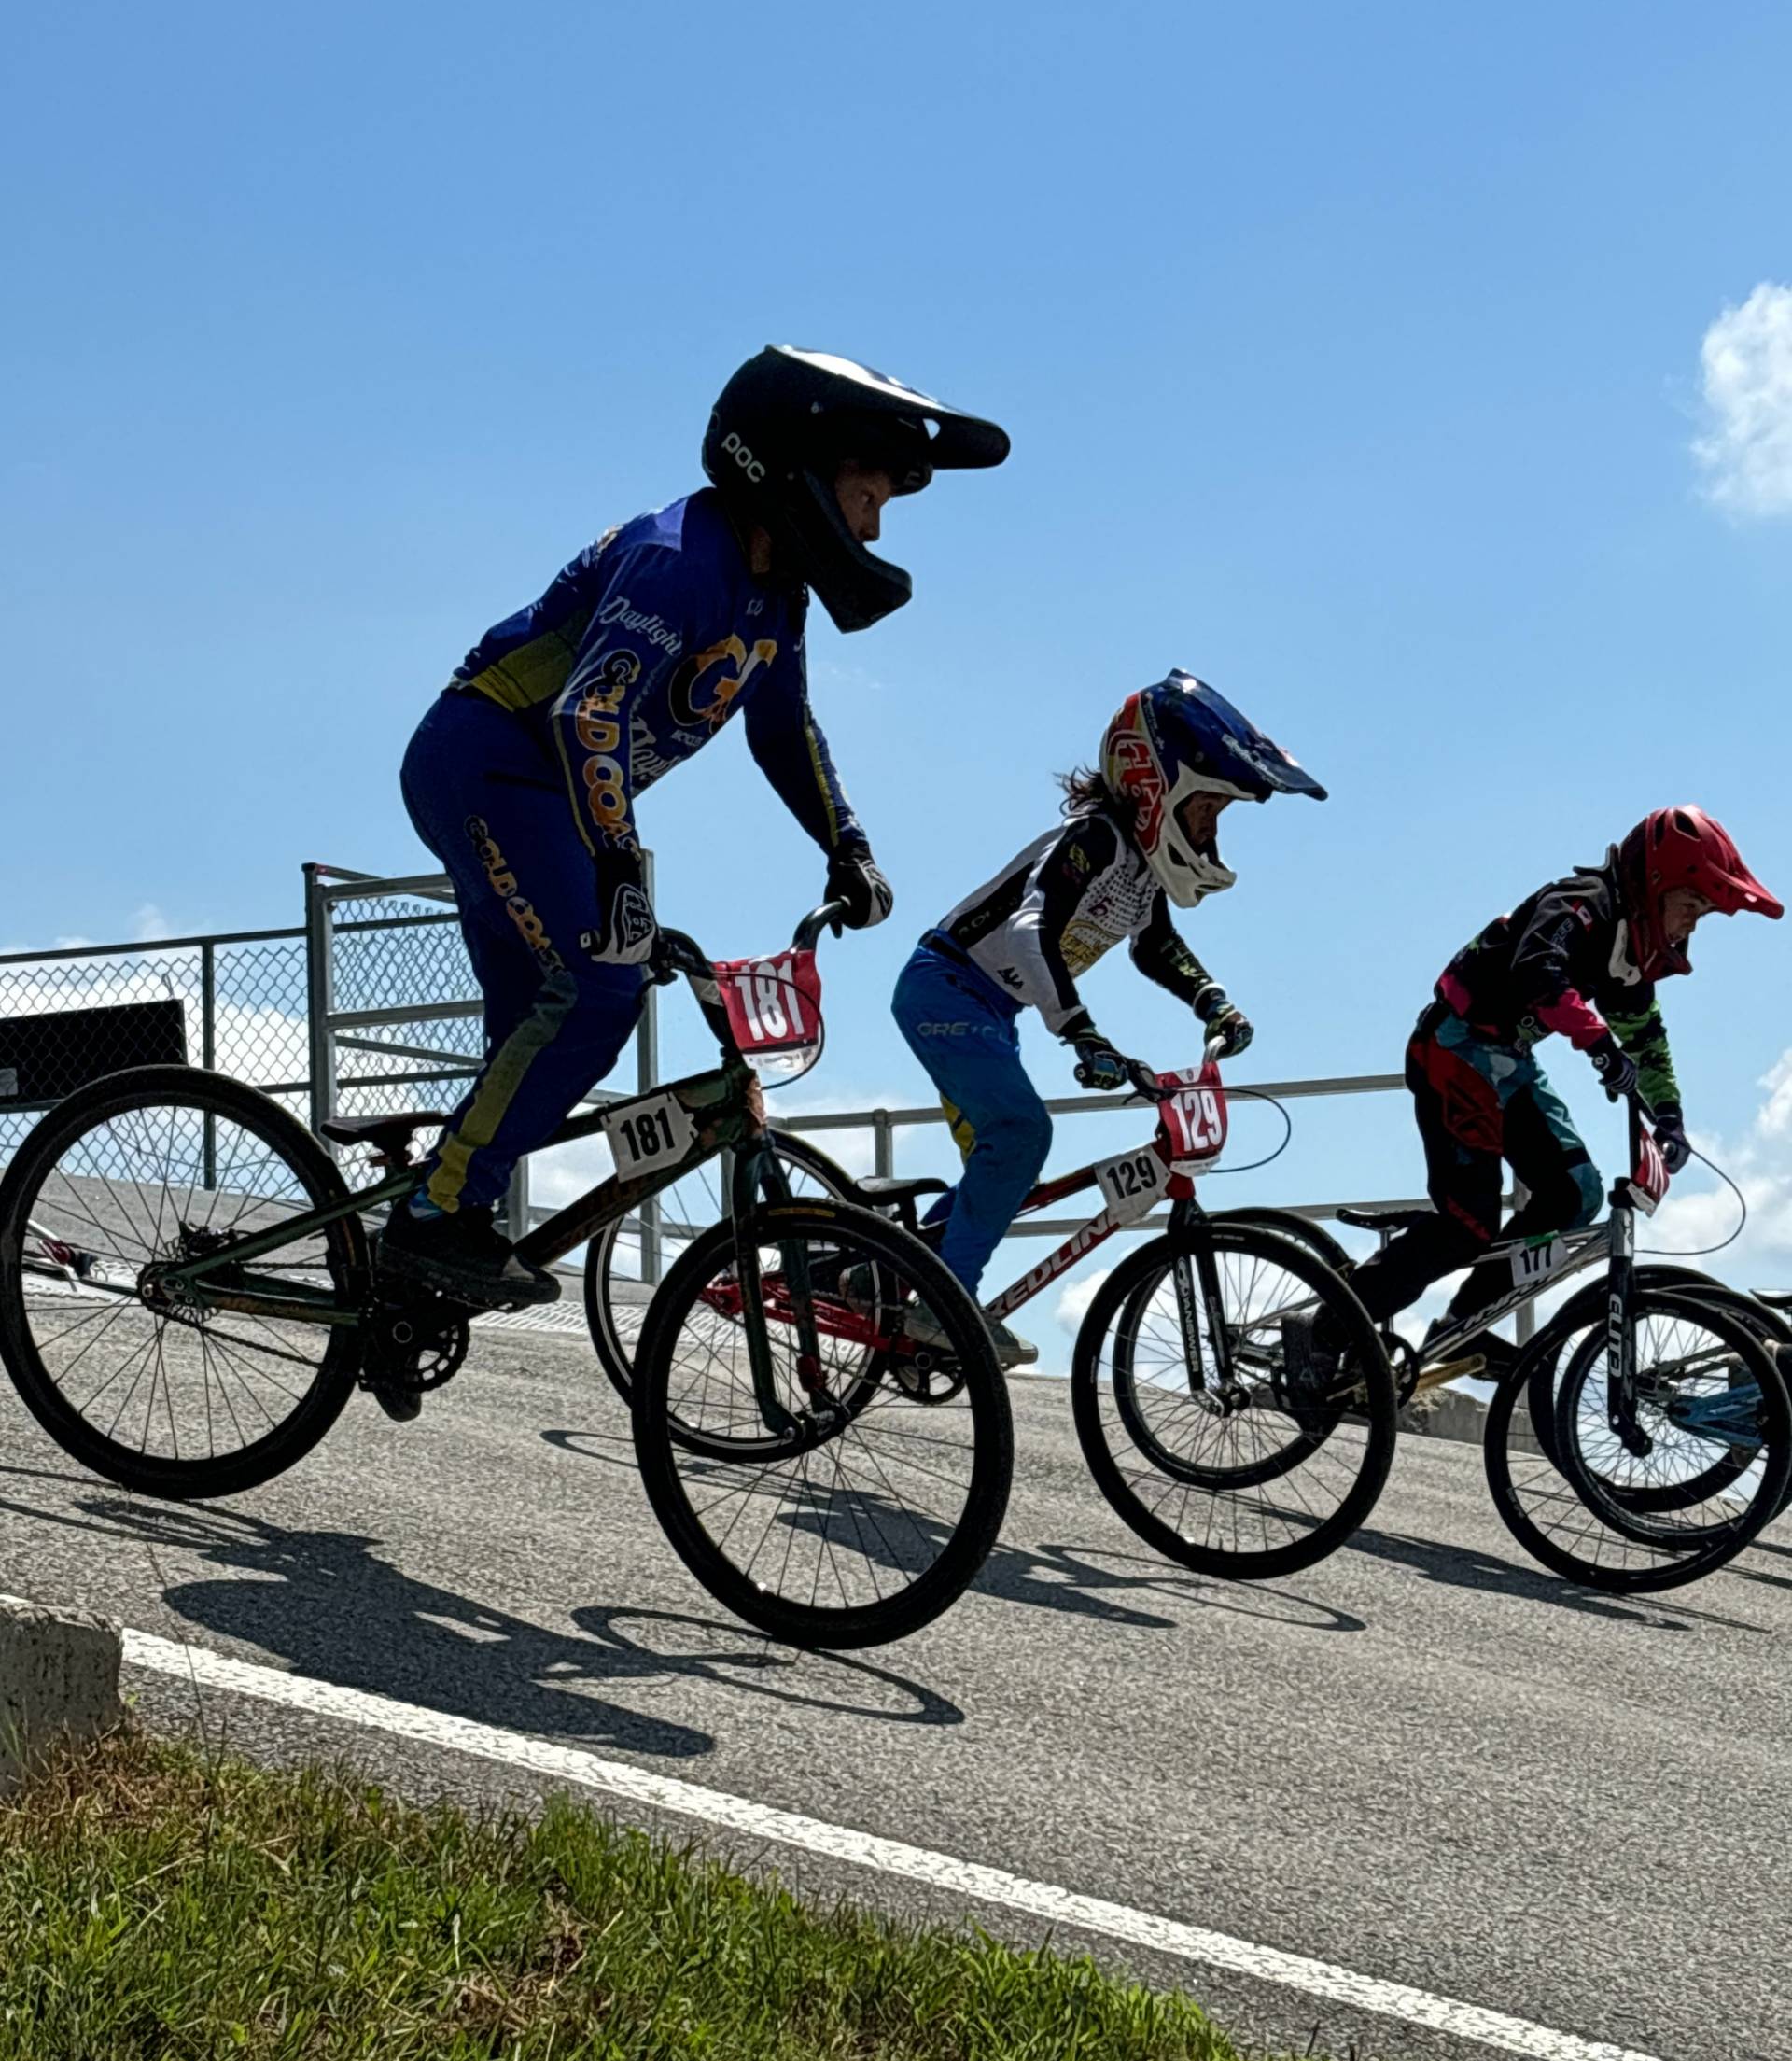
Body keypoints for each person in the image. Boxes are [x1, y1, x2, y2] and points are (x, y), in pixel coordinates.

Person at [381, 346, 1009, 1310]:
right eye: (868, 494)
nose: (875, 525)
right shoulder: (683, 559)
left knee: (536, 1039)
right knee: (600, 987)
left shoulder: (775, 593)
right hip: (488, 759)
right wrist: (621, 865)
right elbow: (586, 715)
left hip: (548, 793)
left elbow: (784, 730)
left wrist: (847, 845)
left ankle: (399, 1290)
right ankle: (431, 1222)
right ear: (795, 467)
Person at [889, 669, 1327, 1368]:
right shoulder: (1094, 838)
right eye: (1209, 806)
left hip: (992, 1009)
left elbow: (1154, 946)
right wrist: (1080, 1032)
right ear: (1157, 788)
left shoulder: (1143, 867)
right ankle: (945, 1308)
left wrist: (1213, 1001)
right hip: (943, 988)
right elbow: (1035, 928)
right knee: (1022, 1134)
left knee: (1000, 1168)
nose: (1213, 828)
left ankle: (880, 1272)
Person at [1322, 805, 1783, 1380]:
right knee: (1470, 1224)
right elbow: (1538, 970)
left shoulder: (1630, 953)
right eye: (1691, 907)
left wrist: (1669, 1116)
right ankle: (1325, 1331)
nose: (1691, 926)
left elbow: (1645, 1039)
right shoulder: (1582, 902)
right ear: (1656, 883)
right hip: (1451, 1049)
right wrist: (1595, 1041)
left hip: (1509, 1064)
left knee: (1575, 1193)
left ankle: (1462, 1324)